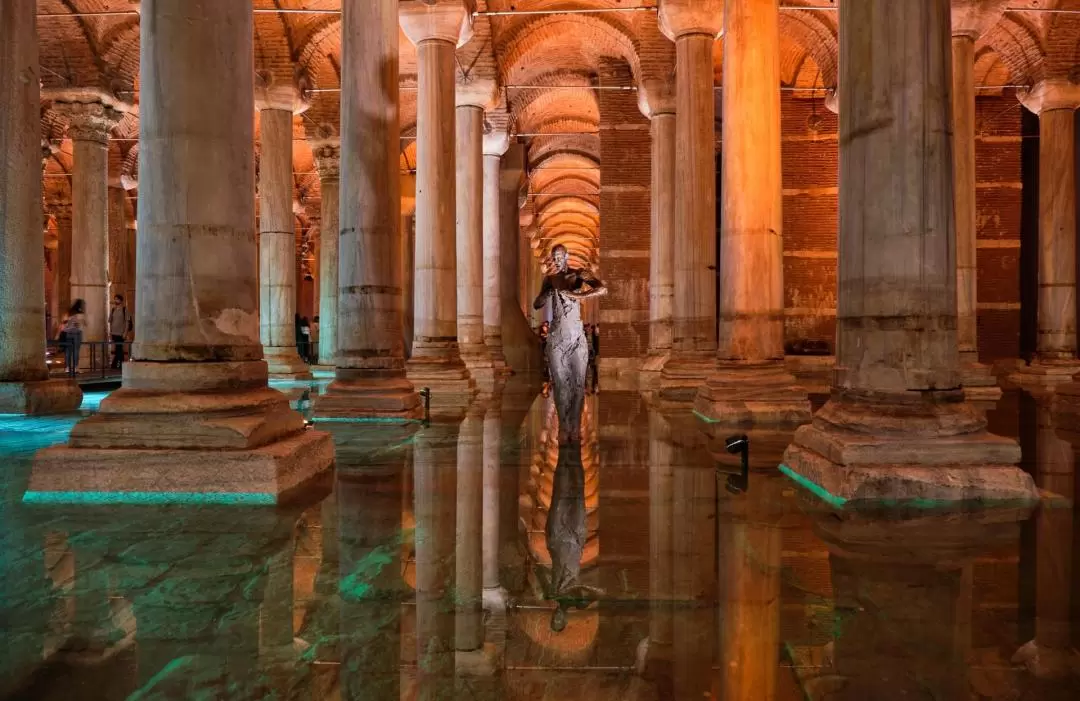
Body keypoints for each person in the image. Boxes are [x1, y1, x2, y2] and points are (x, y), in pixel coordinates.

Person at [532, 244, 607, 444]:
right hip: (556, 337)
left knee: (577, 385)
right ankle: (564, 427)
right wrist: (546, 294)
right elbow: (536, 304)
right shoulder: (550, 279)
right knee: (561, 385)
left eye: (559, 256)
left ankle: (575, 427)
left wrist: (578, 296)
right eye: (554, 257)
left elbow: (602, 289)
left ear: (567, 256)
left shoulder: (579, 274)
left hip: (576, 338)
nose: (556, 260)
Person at [59, 299, 86, 376]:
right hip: (77, 334)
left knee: (68, 351)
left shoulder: (69, 313)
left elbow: (63, 323)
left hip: (68, 334)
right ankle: (75, 367)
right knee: (76, 351)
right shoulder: (80, 314)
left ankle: (67, 368)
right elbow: (83, 324)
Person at [108, 294, 130, 369]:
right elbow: (110, 321)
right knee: (117, 349)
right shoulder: (113, 309)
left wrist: (125, 332)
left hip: (121, 333)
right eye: (115, 299)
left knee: (119, 348)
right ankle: (118, 364)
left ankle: (116, 364)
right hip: (114, 333)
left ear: (121, 300)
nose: (115, 300)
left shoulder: (124, 309)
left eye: (117, 299)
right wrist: (110, 332)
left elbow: (127, 322)